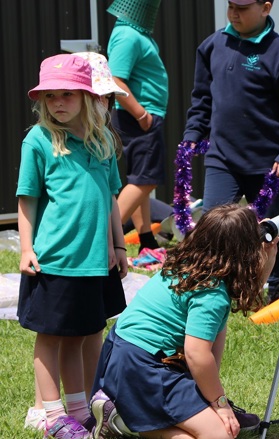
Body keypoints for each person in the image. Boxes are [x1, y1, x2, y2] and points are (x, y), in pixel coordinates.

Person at [89, 204, 276, 439]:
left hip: (119, 357)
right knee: (220, 435)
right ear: (244, 253)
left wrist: (270, 256)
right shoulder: (212, 294)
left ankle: (123, 417)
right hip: (145, 368)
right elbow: (197, 354)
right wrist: (220, 404)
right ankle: (123, 422)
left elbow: (243, 294)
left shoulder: (186, 267)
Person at [17, 53, 126, 439]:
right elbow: (26, 200)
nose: (57, 103)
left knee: (85, 332)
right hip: (54, 262)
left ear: (87, 96)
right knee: (51, 337)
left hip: (95, 260)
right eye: (50, 96)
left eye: (67, 94)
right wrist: (26, 250)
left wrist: (120, 246)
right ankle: (51, 415)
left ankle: (81, 409)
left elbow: (110, 197)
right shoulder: (38, 141)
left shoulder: (102, 141)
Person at [183, 0, 279, 304]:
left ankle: (277, 290)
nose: (234, 13)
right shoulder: (211, 46)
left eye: (242, 7)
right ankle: (212, 288)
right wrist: (193, 135)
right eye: (230, 5)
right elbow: (201, 99)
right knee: (213, 225)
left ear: (266, 7)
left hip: (268, 164)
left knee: (271, 230)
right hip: (222, 158)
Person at [106, 0, 169, 254]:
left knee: (140, 178)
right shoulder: (128, 35)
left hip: (141, 116)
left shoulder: (133, 32)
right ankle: (104, 239)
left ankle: (147, 242)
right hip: (139, 117)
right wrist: (141, 113)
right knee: (145, 180)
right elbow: (115, 78)